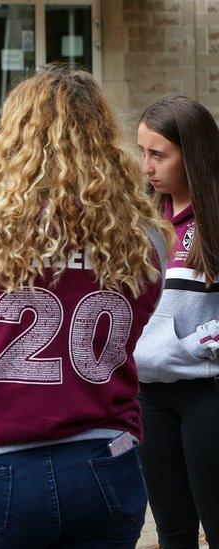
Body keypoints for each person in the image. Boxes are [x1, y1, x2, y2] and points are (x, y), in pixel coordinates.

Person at [0, 66, 172, 547]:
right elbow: (137, 328)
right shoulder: (144, 237)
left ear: (10, 136)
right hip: (103, 459)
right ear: (105, 141)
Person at [134, 95, 219, 549]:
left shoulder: (213, 220)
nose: (146, 166)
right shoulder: (139, 220)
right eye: (142, 151)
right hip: (148, 394)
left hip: (207, 391)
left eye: (158, 154)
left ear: (194, 153)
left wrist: (194, 344)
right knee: (173, 531)